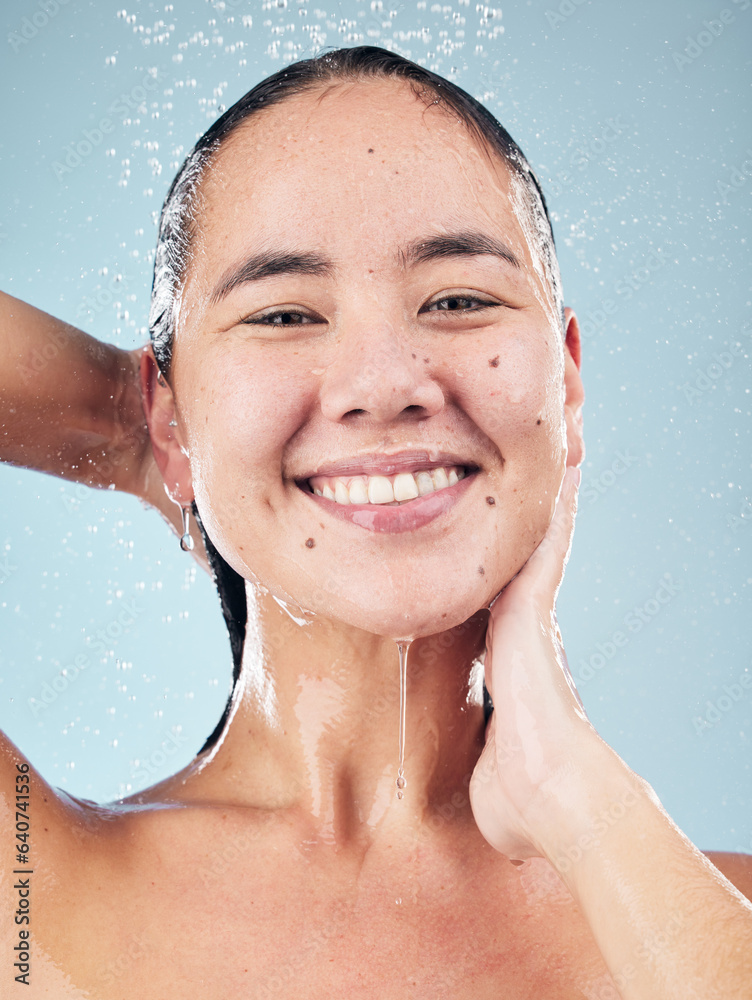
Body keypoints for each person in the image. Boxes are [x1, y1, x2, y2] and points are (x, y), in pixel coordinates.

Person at [1, 45, 750, 999]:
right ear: (173, 410)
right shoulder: (31, 890)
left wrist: (577, 796)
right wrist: (128, 428)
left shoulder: (709, 913)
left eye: (458, 299)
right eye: (282, 316)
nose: (386, 383)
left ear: (564, 382)